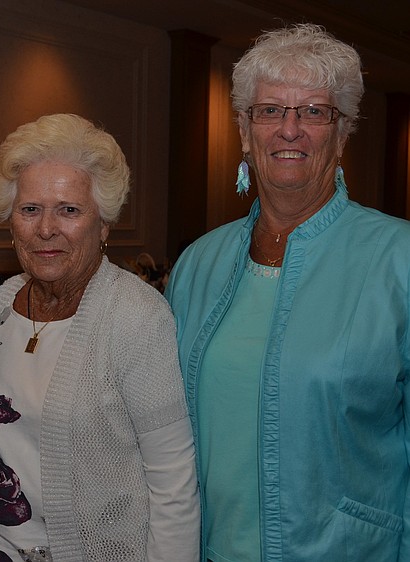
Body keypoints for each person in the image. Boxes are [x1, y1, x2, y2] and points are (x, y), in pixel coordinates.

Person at [165, 24, 410, 561]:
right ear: (245, 132)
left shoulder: (400, 259)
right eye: (270, 110)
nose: (289, 129)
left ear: (342, 135)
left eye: (314, 112)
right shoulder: (198, 265)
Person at [0, 113, 199, 561]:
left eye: (69, 210)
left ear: (104, 223)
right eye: (30, 209)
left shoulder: (136, 316)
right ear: (10, 220)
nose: (46, 229)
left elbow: (172, 479)